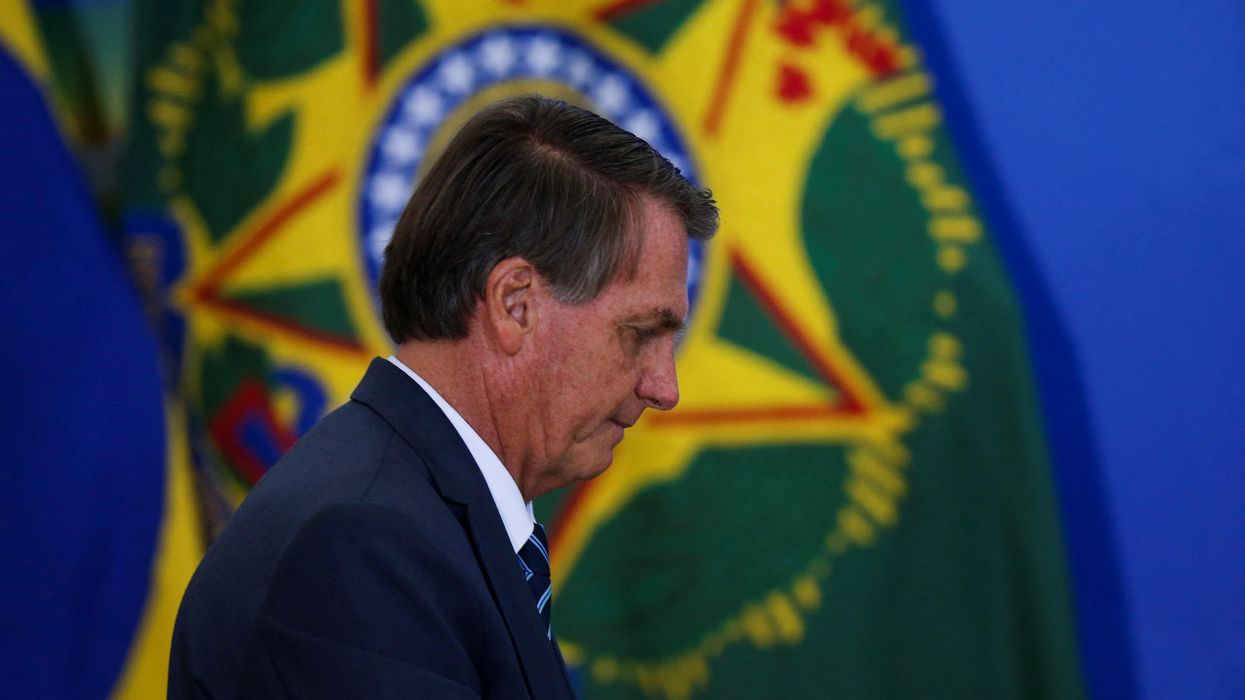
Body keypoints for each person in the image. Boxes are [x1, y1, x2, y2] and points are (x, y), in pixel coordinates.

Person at [168, 95, 718, 699]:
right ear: (515, 304)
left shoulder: (411, 510)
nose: (664, 388)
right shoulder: (362, 543)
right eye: (640, 333)